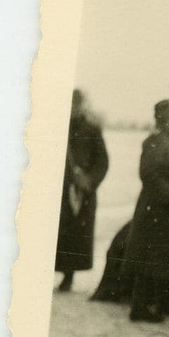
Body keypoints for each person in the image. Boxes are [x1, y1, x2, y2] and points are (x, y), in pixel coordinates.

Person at [125, 99, 169, 322]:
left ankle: (165, 305)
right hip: (155, 209)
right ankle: (139, 308)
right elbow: (149, 174)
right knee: (148, 259)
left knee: (167, 258)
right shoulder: (154, 142)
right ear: (165, 121)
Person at [56, 89, 109, 291]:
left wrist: (89, 180)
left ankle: (68, 276)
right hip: (59, 191)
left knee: (75, 236)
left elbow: (102, 162)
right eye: (70, 104)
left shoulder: (92, 130)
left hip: (82, 192)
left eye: (76, 105)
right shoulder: (56, 127)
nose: (72, 109)